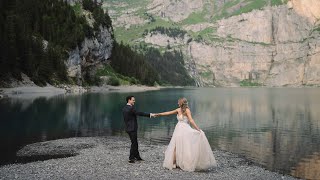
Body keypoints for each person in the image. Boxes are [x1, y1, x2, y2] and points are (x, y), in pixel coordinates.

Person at [154, 97, 217, 171]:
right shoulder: (178, 110)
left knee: (182, 146)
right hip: (179, 130)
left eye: (178, 102)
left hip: (184, 130)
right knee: (177, 146)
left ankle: (180, 163)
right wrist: (159, 114)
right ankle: (175, 162)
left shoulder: (187, 110)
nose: (177, 103)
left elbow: (191, 120)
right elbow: (168, 113)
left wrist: (197, 129)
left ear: (181, 103)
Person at [122, 95, 154, 163]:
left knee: (135, 143)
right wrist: (149, 115)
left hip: (128, 128)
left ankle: (137, 157)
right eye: (133, 100)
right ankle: (131, 158)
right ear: (129, 100)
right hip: (132, 128)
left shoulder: (124, 108)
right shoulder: (131, 108)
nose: (134, 101)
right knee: (134, 143)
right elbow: (139, 113)